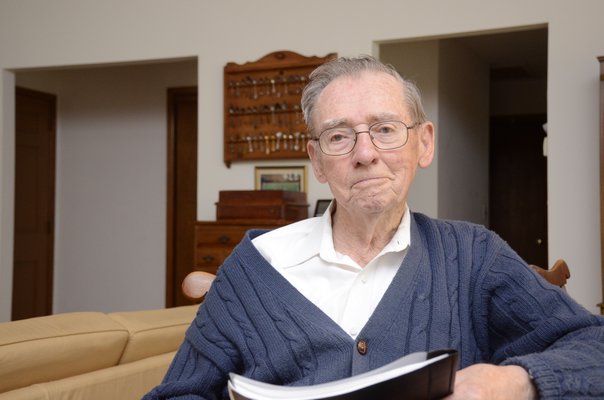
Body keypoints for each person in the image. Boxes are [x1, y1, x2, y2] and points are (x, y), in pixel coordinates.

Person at [144, 55, 604, 399]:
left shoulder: (474, 256)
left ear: (423, 144)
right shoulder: (254, 267)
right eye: (339, 136)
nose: (365, 154)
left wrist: (515, 380)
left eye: (385, 129)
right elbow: (177, 392)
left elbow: (593, 346)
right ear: (317, 161)